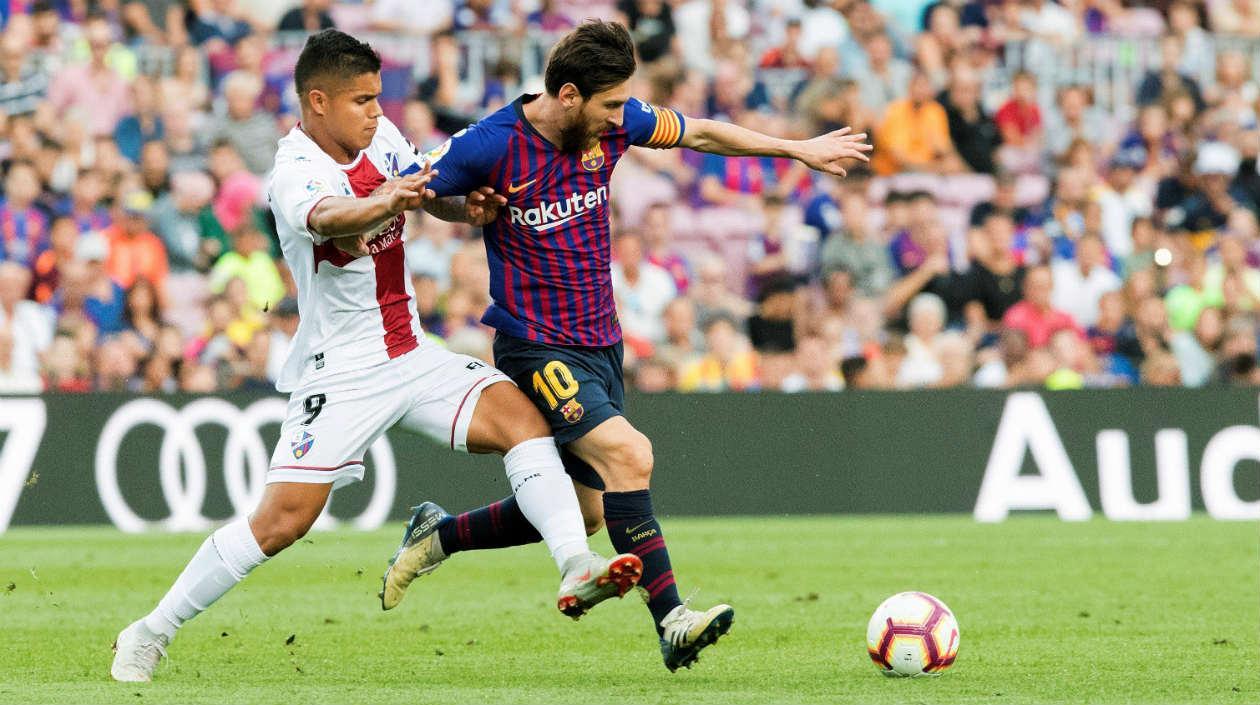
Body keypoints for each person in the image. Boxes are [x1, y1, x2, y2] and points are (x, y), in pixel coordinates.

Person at [109, 30, 644, 684]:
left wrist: (463, 206)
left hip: (412, 352)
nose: (374, 111)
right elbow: (330, 216)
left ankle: (574, 563)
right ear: (318, 102)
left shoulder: (382, 137)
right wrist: (381, 200)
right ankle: (150, 629)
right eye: (361, 100)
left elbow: (425, 189)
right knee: (282, 521)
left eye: (376, 98)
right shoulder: (294, 171)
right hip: (343, 371)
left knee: (522, 420)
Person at [393, 20, 870, 671]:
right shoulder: (492, 143)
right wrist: (467, 208)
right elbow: (426, 193)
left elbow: (700, 131)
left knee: (587, 511)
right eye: (612, 104)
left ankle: (437, 534)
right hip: (535, 345)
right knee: (630, 453)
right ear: (567, 95)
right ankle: (672, 617)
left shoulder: (613, 124)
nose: (624, 117)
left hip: (599, 342)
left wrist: (798, 148)